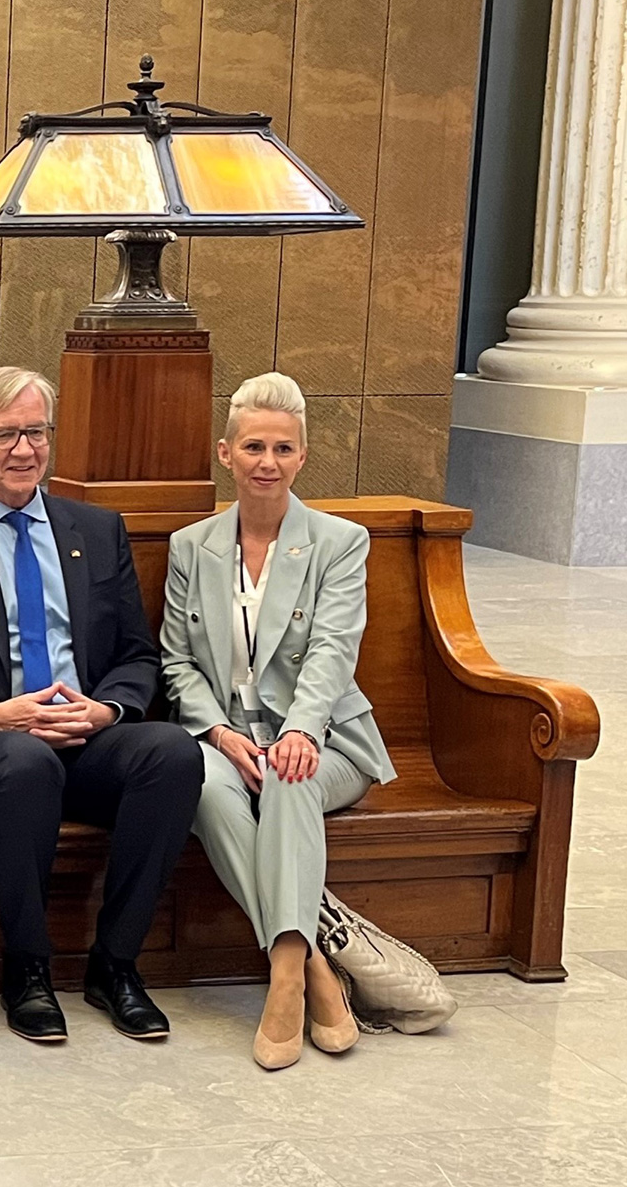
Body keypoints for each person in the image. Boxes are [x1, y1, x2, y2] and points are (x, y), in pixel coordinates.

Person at [0, 366, 203, 1044]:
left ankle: (115, 963)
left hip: (83, 733)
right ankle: (26, 967)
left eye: (35, 432)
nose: (23, 450)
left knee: (172, 752)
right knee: (23, 761)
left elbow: (136, 655)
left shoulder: (97, 529)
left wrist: (106, 710)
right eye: (5, 435)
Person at [160, 372, 394, 1070]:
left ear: (302, 456)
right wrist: (220, 733)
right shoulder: (189, 545)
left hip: (325, 737)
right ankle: (318, 970)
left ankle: (284, 977)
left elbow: (332, 648)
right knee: (201, 787)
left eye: (283, 448)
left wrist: (299, 730)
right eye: (254, 446)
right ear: (225, 452)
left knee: (294, 778)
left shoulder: (340, 542)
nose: (268, 461)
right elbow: (176, 660)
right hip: (225, 737)